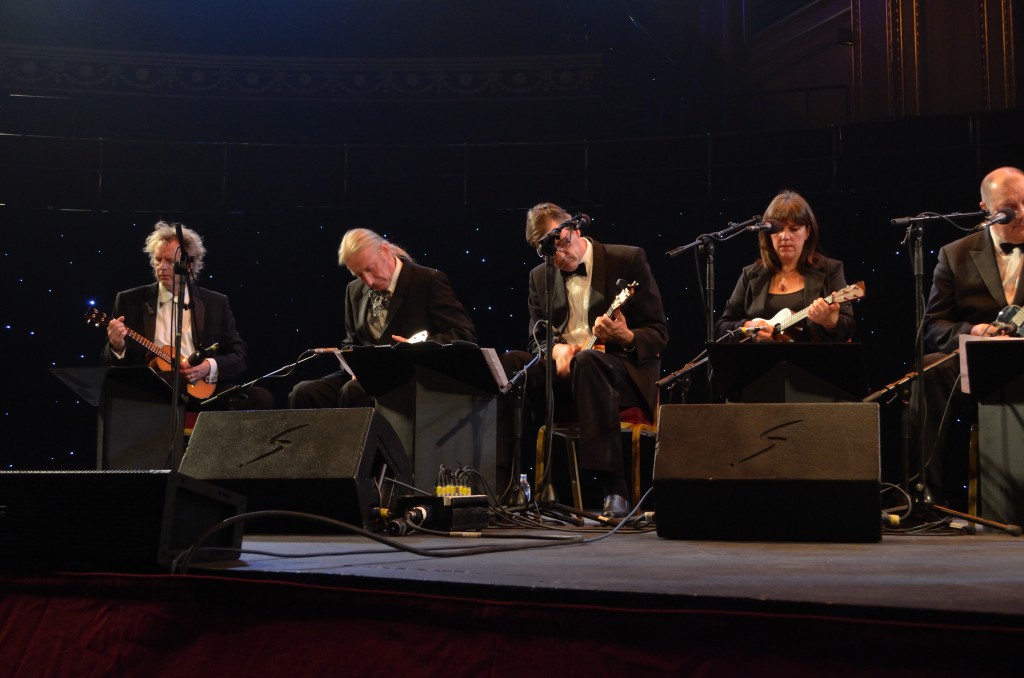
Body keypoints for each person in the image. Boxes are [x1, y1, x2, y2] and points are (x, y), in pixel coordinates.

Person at [501, 203, 669, 518]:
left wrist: (626, 336)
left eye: (563, 242)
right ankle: (506, 482)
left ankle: (613, 489)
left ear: (576, 229)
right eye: (551, 251)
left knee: (589, 361)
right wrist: (555, 350)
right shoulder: (540, 277)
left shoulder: (627, 259)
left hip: (621, 375)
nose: (561, 256)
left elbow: (659, 333)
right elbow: (536, 337)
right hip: (566, 375)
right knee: (511, 364)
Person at [917, 166, 1024, 506]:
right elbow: (933, 325)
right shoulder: (955, 253)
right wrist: (973, 331)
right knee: (929, 370)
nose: (1021, 214)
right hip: (979, 366)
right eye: (1010, 208)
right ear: (986, 210)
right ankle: (927, 497)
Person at [289, 228, 478, 408]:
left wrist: (419, 347)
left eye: (370, 269)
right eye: (359, 275)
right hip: (366, 376)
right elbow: (350, 342)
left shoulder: (428, 280)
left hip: (411, 375)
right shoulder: (353, 290)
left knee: (355, 391)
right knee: (304, 392)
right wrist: (354, 365)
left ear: (386, 251)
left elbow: (463, 334)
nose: (368, 281)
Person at [102, 221, 273, 410]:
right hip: (154, 388)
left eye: (169, 261)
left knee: (260, 397)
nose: (162, 267)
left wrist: (209, 367)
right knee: (166, 380)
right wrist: (117, 347)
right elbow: (109, 362)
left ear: (189, 264)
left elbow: (238, 356)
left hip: (203, 389)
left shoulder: (215, 303)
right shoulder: (129, 300)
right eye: (158, 260)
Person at [715, 190, 856, 343]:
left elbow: (848, 328)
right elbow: (721, 328)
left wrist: (831, 323)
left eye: (794, 229)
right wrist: (748, 327)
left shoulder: (830, 269)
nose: (785, 236)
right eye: (778, 229)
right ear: (768, 233)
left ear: (807, 232)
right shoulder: (750, 274)